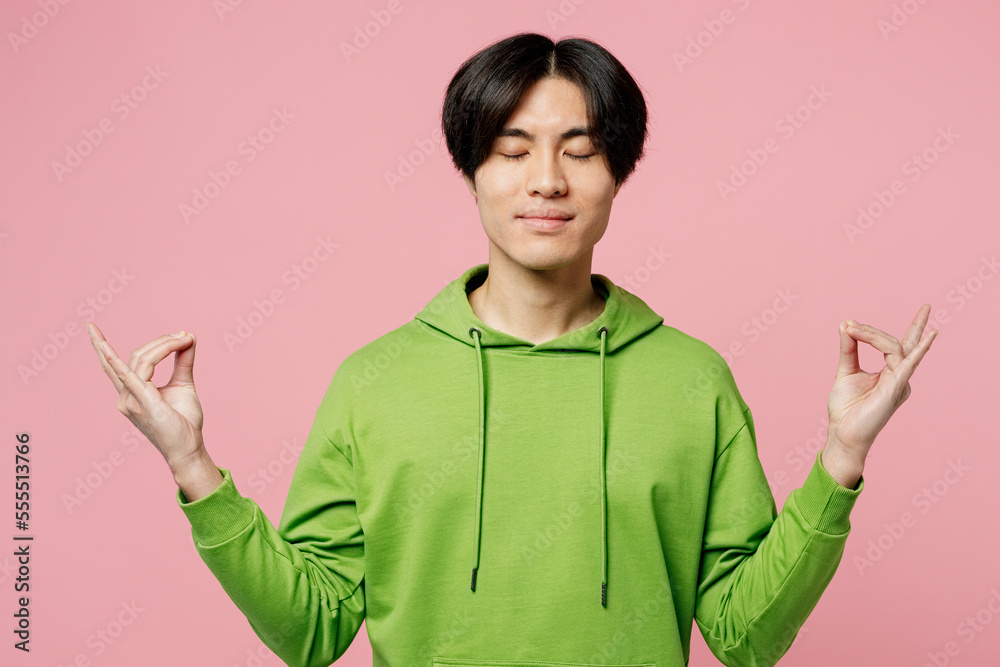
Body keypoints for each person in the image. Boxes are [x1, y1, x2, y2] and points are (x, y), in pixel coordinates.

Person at [87, 32, 937, 667]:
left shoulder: (692, 380)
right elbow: (312, 630)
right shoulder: (375, 381)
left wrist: (840, 459)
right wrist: (192, 463)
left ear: (620, 172)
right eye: (512, 150)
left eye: (581, 151)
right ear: (471, 169)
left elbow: (745, 636)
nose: (547, 181)